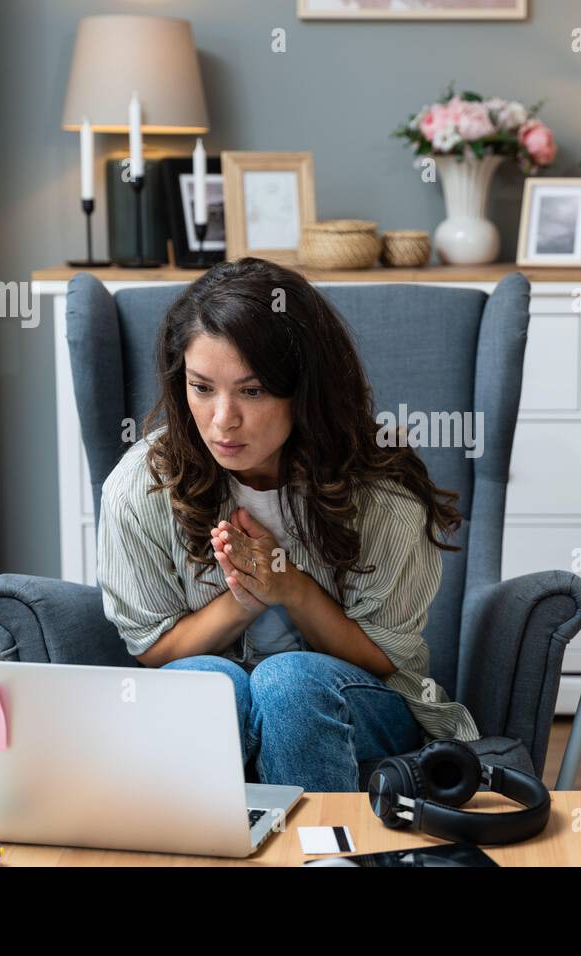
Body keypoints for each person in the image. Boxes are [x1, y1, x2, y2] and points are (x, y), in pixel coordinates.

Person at [95, 256, 480, 791]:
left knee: (289, 682)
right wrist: (246, 598)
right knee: (206, 684)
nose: (223, 419)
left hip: (365, 700)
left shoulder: (381, 490)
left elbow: (384, 658)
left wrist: (291, 588)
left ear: (304, 389)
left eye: (252, 392)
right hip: (219, 681)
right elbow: (154, 648)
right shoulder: (144, 482)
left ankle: (323, 854)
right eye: (202, 387)